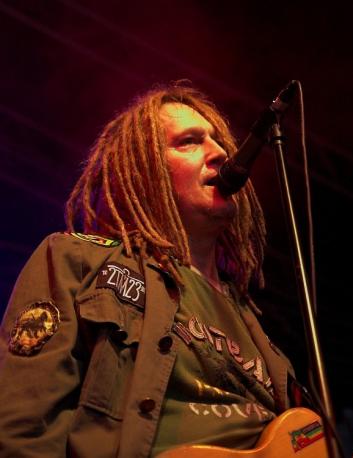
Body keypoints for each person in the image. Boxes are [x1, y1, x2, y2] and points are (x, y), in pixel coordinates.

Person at [0, 83, 296, 457]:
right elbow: (24, 428)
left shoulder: (255, 329)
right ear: (145, 170)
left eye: (218, 141)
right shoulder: (80, 261)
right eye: (189, 142)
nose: (221, 153)